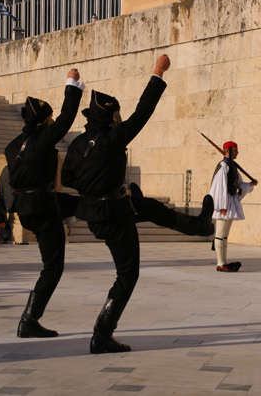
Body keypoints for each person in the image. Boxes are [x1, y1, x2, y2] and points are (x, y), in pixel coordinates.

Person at [61, 54, 214, 354]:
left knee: (151, 208)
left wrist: (92, 188)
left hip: (101, 211)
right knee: (128, 274)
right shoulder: (113, 139)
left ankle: (200, 224)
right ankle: (102, 334)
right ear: (109, 118)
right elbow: (143, 111)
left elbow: (67, 177)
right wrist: (157, 72)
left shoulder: (78, 145)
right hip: (114, 216)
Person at [4, 68, 84, 338]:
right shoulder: (41, 140)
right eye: (49, 118)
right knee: (53, 267)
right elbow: (67, 118)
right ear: (42, 121)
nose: (52, 121)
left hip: (30, 206)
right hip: (43, 207)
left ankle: (101, 212)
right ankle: (29, 320)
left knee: (81, 204)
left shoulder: (12, 146)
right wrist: (71, 83)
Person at [209, 141, 258, 272]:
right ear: (228, 151)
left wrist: (250, 185)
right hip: (223, 205)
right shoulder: (223, 167)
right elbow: (219, 188)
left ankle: (224, 262)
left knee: (225, 235)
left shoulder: (232, 167)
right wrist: (221, 207)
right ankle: (220, 264)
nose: (237, 152)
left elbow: (238, 185)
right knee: (219, 234)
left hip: (229, 203)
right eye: (235, 150)